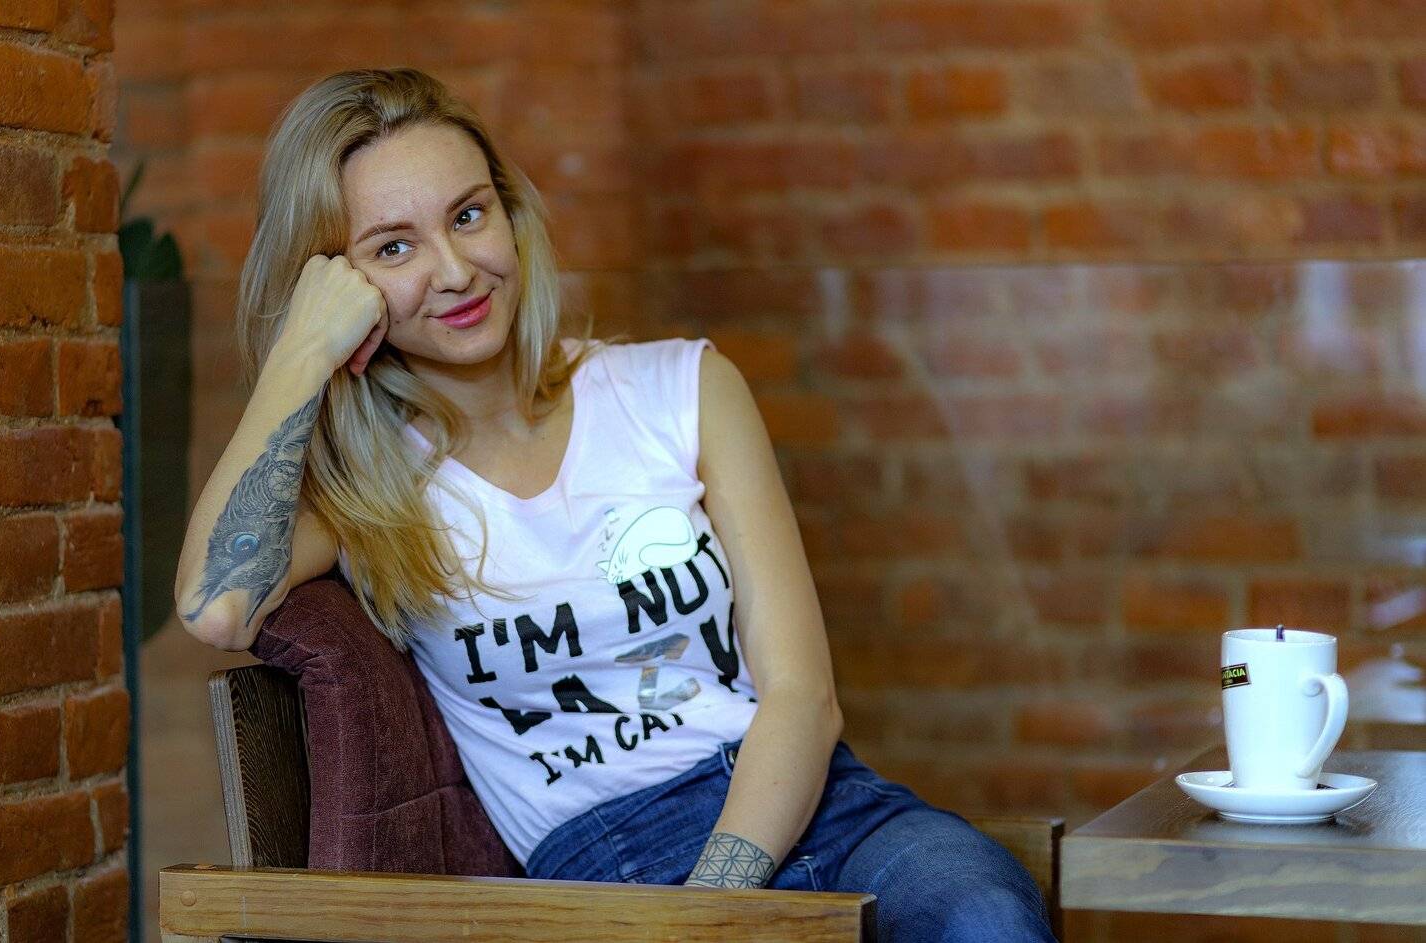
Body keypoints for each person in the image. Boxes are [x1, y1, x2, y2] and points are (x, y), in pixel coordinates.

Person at [173, 67, 1054, 942]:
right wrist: (301, 351)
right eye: (393, 249)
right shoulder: (365, 492)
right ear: (336, 281)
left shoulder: (683, 387)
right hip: (609, 871)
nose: (456, 271)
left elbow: (803, 695)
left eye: (468, 215)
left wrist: (716, 906)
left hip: (822, 808)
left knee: (986, 914)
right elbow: (217, 605)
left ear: (509, 215)